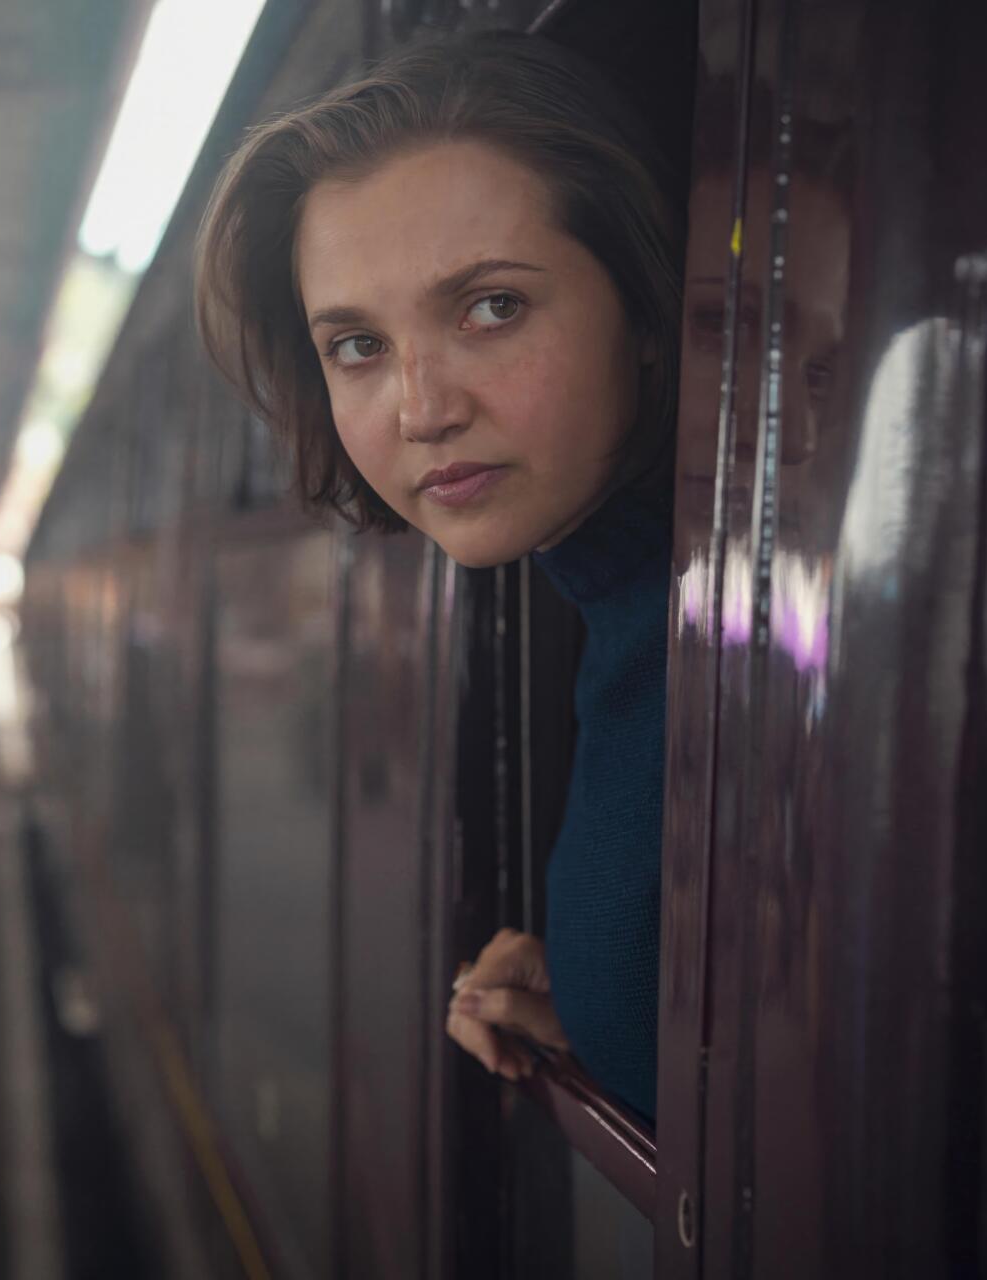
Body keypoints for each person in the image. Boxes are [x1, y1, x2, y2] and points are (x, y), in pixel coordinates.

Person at [197, 32, 681, 1122]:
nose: (422, 409)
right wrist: (607, 1004)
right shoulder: (621, 606)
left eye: (491, 307)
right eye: (358, 346)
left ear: (648, 306)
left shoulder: (728, 638)